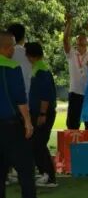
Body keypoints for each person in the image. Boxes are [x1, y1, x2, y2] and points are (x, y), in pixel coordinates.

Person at [0, 32, 50, 198]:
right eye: (12, 46)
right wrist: (28, 122)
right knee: (26, 168)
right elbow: (20, 98)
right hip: (10, 125)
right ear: (6, 47)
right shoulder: (11, 67)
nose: (14, 49)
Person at [63, 15, 88, 131]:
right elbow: (65, 40)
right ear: (76, 41)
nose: (81, 39)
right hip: (75, 93)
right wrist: (69, 23)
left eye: (83, 38)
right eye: (79, 38)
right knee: (72, 126)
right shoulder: (71, 53)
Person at [25, 43, 58, 188]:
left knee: (39, 144)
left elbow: (45, 96)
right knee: (36, 144)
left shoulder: (41, 71)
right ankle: (45, 172)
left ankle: (49, 176)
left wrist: (42, 114)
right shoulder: (38, 69)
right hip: (39, 112)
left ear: (30, 56)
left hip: (43, 113)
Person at [7, 23, 31, 95]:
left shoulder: (4, 54)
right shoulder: (31, 54)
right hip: (28, 96)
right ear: (23, 37)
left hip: (8, 97)